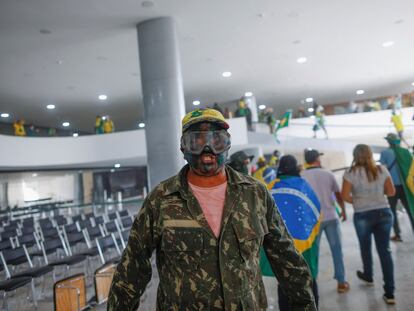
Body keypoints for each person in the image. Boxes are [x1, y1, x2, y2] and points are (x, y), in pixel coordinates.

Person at [108, 108, 316, 310]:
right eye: (196, 142)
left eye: (216, 140)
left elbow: (287, 259)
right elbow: (132, 269)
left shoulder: (254, 194)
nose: (207, 150)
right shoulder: (160, 200)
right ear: (183, 148)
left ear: (227, 145)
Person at [341, 144, 396, 305]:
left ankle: (369, 275)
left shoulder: (350, 173)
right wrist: (376, 194)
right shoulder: (382, 170)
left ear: (355, 155)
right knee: (385, 251)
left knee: (365, 247)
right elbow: (391, 192)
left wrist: (359, 201)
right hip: (384, 213)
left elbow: (345, 196)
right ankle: (390, 293)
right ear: (371, 154)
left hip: (363, 215)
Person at [267, 155, 321, 310]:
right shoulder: (304, 185)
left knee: (284, 279)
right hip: (305, 241)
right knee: (309, 278)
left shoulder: (271, 187)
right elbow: (316, 209)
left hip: (281, 244)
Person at [301, 149, 350, 293]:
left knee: (312, 252)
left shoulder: (301, 176)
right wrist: (343, 210)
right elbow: (338, 195)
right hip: (330, 217)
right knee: (337, 250)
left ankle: (311, 282)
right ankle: (341, 283)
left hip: (313, 221)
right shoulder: (327, 174)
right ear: (316, 159)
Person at [380, 133, 414, 241]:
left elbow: (382, 170)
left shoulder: (385, 153)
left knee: (392, 211)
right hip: (405, 186)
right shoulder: (405, 152)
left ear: (388, 142)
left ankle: (397, 234)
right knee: (410, 209)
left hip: (392, 187)